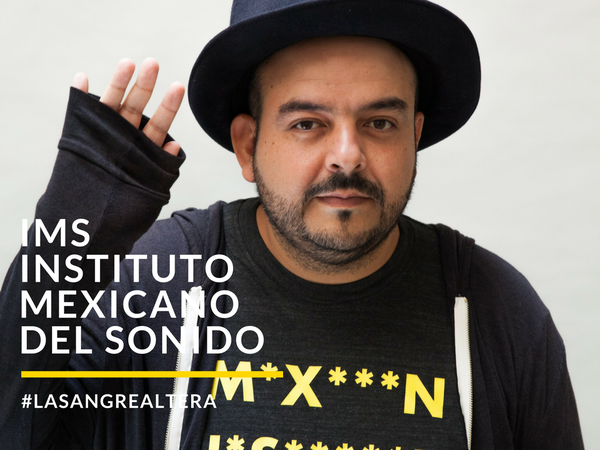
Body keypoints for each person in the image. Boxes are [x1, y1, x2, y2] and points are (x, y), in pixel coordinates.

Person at [0, 0, 584, 449]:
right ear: (248, 146)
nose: (347, 156)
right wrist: (69, 243)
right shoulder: (159, 284)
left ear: (415, 137)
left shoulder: (499, 312)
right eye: (307, 124)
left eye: (380, 123)